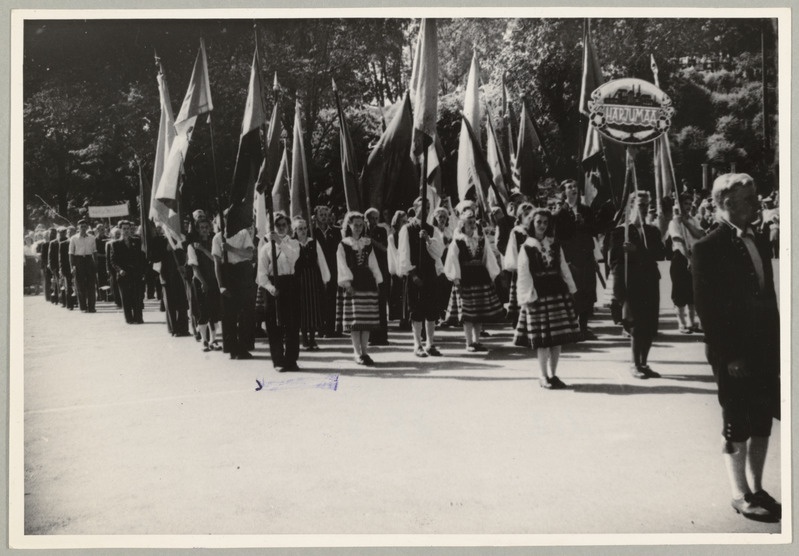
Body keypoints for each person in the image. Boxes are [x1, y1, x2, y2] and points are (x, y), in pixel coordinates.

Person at [693, 173, 781, 523]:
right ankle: (739, 493)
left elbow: (767, 296)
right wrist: (730, 356)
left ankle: (757, 487)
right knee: (737, 423)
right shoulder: (708, 247)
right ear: (726, 202)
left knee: (761, 420)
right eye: (748, 198)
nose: (756, 202)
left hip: (763, 349)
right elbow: (708, 310)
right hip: (734, 354)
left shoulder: (757, 239)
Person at [516, 208, 581, 389]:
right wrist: (528, 298)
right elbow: (524, 274)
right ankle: (543, 375)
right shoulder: (527, 247)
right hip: (539, 294)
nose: (542, 226)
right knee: (543, 340)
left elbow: (563, 268)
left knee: (557, 338)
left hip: (557, 292)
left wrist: (571, 289)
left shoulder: (554, 245)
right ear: (532, 224)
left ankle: (553, 374)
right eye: (539, 222)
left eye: (545, 222)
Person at [608, 191, 666, 379]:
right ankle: (634, 364)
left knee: (649, 324)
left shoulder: (652, 231)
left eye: (647, 204)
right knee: (636, 325)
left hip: (649, 280)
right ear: (631, 206)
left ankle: (644, 363)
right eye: (640, 204)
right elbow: (614, 260)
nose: (645, 208)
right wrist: (618, 292)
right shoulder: (621, 231)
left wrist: (637, 250)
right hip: (631, 282)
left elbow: (659, 254)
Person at [444, 209, 503, 352]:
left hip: (480, 277)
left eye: (473, 222)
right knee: (468, 313)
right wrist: (456, 280)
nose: (472, 225)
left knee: (479, 312)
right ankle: (469, 342)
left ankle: (477, 341)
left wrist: (492, 275)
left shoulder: (481, 240)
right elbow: (452, 260)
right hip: (466, 278)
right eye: (468, 222)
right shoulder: (457, 241)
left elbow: (487, 257)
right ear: (462, 225)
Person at [398, 196, 445, 358]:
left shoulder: (432, 230)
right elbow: (403, 253)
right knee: (416, 311)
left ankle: (430, 343)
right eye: (422, 207)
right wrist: (411, 274)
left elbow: (439, 252)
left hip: (430, 272)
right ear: (414, 207)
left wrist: (427, 239)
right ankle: (417, 344)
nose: (424, 210)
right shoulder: (407, 229)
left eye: (427, 208)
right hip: (415, 273)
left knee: (431, 310)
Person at [336, 211, 383, 365]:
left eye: (360, 225)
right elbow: (341, 264)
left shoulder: (367, 243)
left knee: (366, 320)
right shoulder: (344, 244)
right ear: (349, 225)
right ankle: (357, 353)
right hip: (353, 282)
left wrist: (377, 280)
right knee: (355, 322)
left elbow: (373, 263)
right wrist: (347, 283)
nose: (358, 228)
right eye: (355, 225)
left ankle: (365, 352)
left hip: (367, 282)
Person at [257, 212, 301, 371]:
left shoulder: (294, 243)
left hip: (289, 283)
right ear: (272, 227)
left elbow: (293, 257)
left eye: (284, 225)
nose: (281, 228)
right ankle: (278, 360)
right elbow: (261, 275)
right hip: (273, 285)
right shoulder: (266, 248)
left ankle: (291, 359)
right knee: (274, 325)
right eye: (278, 225)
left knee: (292, 324)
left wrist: (280, 243)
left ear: (288, 226)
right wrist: (270, 288)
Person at [555, 179, 598, 338]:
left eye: (575, 186)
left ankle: (584, 327)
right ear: (564, 192)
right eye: (569, 187)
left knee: (588, 292)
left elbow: (594, 230)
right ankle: (572, 328)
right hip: (571, 260)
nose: (573, 189)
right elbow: (559, 237)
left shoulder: (586, 210)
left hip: (586, 257)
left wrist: (583, 222)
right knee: (574, 293)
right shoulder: (560, 213)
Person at [213, 207, 256, 360]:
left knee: (245, 312)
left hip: (242, 272)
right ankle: (232, 348)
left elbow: (250, 254)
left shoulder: (243, 234)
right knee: (229, 314)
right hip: (228, 273)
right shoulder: (217, 238)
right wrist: (221, 285)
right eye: (225, 218)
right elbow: (217, 263)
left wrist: (231, 248)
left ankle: (243, 347)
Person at [667, 193, 704, 333]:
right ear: (679, 205)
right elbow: (678, 241)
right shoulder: (674, 222)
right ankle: (682, 323)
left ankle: (691, 322)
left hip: (694, 256)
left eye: (690, 204)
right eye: (685, 204)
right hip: (680, 257)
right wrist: (687, 259)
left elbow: (700, 235)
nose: (688, 207)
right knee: (680, 291)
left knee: (692, 292)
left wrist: (687, 223)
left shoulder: (693, 220)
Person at [292, 215, 330, 352]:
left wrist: (325, 279)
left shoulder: (313, 243)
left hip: (313, 279)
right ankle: (305, 340)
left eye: (304, 228)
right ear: (295, 230)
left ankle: (313, 339)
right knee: (302, 310)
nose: (303, 231)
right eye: (300, 229)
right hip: (299, 280)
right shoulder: (292, 244)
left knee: (313, 309)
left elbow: (321, 261)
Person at [187, 217, 221, 352]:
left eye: (207, 227)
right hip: (201, 281)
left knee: (215, 312)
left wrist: (203, 249)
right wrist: (203, 283)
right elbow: (195, 268)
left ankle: (214, 339)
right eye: (201, 228)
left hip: (215, 280)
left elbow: (216, 259)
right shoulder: (192, 246)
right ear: (197, 229)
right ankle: (204, 340)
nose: (205, 230)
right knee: (203, 312)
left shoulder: (214, 243)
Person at [503, 202, 534, 346]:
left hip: (534, 269)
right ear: (520, 217)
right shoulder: (517, 232)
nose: (528, 218)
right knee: (520, 297)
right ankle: (519, 326)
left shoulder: (534, 231)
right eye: (526, 215)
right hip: (521, 270)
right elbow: (512, 250)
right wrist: (515, 267)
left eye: (530, 215)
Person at [313, 205, 342, 337]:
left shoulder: (336, 232)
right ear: (316, 217)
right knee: (319, 299)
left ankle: (331, 328)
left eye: (326, 215)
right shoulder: (312, 232)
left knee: (332, 298)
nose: (324, 218)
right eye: (322, 215)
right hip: (317, 269)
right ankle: (320, 327)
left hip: (333, 268)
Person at [109, 220, 146, 324]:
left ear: (131, 229)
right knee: (126, 297)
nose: (126, 231)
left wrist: (142, 271)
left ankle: (138, 318)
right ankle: (129, 319)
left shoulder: (137, 241)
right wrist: (119, 270)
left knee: (137, 296)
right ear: (120, 230)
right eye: (124, 229)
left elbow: (141, 257)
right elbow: (113, 260)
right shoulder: (115, 244)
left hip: (135, 273)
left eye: (128, 228)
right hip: (123, 274)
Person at [365, 207, 390, 345]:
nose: (374, 221)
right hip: (368, 271)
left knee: (381, 302)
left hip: (381, 268)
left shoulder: (381, 231)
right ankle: (371, 336)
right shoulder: (363, 231)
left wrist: (371, 240)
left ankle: (383, 336)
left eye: (376, 218)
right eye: (371, 218)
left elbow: (384, 248)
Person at [68, 219, 98, 312]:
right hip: (78, 261)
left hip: (89, 261)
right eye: (81, 227)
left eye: (85, 226)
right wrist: (72, 267)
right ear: (78, 227)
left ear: (87, 227)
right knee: (80, 285)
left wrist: (95, 265)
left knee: (91, 285)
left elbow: (94, 252)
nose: (83, 228)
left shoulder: (92, 238)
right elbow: (71, 253)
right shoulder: (73, 238)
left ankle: (91, 307)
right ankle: (83, 307)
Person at [387, 210, 410, 330]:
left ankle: (406, 319)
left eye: (407, 221)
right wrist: (400, 268)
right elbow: (395, 253)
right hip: (397, 268)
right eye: (403, 221)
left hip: (405, 267)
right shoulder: (393, 236)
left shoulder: (407, 233)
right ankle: (402, 319)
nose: (405, 224)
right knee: (399, 295)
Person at [58, 226, 76, 310]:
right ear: (67, 234)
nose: (70, 234)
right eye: (69, 232)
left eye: (72, 232)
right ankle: (70, 304)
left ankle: (77, 302)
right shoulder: (63, 244)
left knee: (77, 285)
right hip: (66, 268)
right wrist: (61, 269)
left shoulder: (78, 242)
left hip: (77, 266)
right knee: (68, 286)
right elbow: (61, 258)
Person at [48, 228, 63, 305]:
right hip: (56, 266)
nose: (61, 234)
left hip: (63, 265)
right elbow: (50, 256)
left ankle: (62, 298)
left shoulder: (66, 241)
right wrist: (51, 267)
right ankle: (57, 298)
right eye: (59, 233)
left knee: (62, 282)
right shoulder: (53, 243)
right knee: (57, 282)